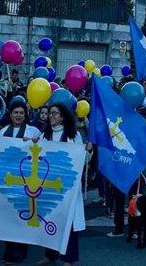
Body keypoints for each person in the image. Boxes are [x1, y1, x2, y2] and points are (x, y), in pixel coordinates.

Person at [35, 103, 85, 266]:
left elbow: (80, 159)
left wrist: (88, 152)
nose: (51, 116)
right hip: (49, 185)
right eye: (50, 113)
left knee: (68, 221)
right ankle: (50, 255)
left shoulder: (73, 135)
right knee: (50, 219)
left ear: (63, 116)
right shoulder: (45, 134)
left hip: (67, 187)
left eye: (55, 113)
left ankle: (68, 259)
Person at [0, 101, 42, 264]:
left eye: (21, 113)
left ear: (25, 115)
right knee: (8, 216)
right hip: (8, 178)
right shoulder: (3, 132)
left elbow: (40, 150)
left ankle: (20, 251)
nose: (18, 115)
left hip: (26, 179)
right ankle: (9, 249)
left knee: (21, 216)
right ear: (10, 115)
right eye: (15, 112)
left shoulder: (33, 131)